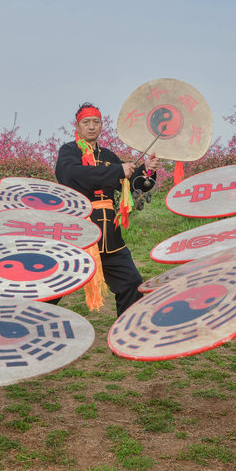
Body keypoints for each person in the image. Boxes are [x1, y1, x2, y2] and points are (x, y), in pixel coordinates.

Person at [55, 103, 156, 315]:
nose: (92, 127)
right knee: (53, 286)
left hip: (109, 236)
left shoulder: (109, 156)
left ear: (101, 125)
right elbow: (73, 175)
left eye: (96, 122)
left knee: (131, 282)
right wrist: (118, 171)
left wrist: (146, 171)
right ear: (78, 125)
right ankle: (26, 323)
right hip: (77, 233)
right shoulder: (68, 152)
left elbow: (134, 188)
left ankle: (125, 340)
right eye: (86, 122)